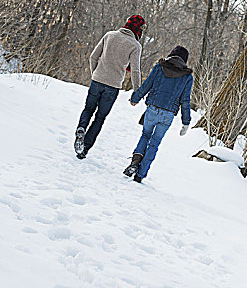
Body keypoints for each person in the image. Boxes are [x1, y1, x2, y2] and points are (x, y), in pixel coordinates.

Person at [74, 15, 146, 159]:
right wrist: (137, 92)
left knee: (88, 109)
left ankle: (81, 129)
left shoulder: (110, 35)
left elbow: (93, 57)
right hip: (112, 87)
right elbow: (135, 70)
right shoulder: (135, 45)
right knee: (99, 118)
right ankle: (84, 150)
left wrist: (95, 73)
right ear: (138, 30)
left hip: (97, 80)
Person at [123, 46, 193, 183]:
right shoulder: (186, 76)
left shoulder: (159, 67)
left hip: (153, 108)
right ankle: (140, 174)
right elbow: (185, 100)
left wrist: (135, 98)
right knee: (154, 143)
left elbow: (147, 85)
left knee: (145, 135)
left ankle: (135, 162)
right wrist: (186, 122)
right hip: (168, 114)